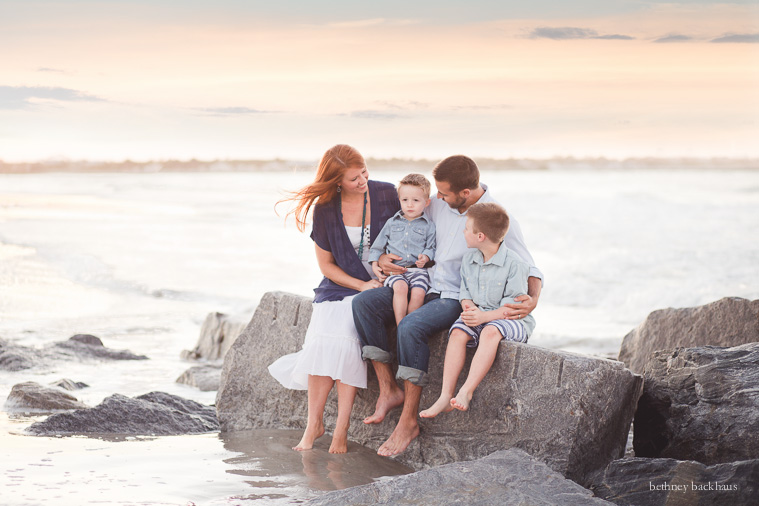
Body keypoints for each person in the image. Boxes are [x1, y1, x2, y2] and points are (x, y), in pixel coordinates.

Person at [352, 155, 543, 457]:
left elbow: (530, 268)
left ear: (465, 193)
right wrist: (381, 259)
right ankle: (389, 389)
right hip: (421, 282)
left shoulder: (494, 219)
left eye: (442, 192)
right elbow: (404, 220)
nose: (436, 197)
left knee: (411, 327)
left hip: (454, 296)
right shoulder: (439, 204)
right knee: (364, 303)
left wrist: (531, 301)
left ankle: (408, 421)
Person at [268, 144, 400, 454]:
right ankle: (314, 424)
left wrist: (389, 270)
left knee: (343, 334)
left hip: (384, 284)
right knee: (321, 338)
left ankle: (340, 430)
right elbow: (326, 265)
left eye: (364, 172)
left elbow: (415, 230)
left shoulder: (387, 194)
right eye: (354, 178)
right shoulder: (326, 209)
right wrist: (360, 284)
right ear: (336, 181)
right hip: (341, 286)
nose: (363, 180)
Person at [420, 202, 535, 418]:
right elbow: (465, 291)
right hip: (481, 313)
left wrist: (484, 317)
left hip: (512, 319)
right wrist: (469, 307)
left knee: (490, 332)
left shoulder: (515, 265)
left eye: (466, 228)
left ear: (480, 236)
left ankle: (466, 391)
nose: (463, 232)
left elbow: (514, 308)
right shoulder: (469, 259)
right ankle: (445, 396)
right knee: (458, 332)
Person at [368, 174, 436, 325]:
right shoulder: (392, 223)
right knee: (400, 287)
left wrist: (425, 257)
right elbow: (377, 246)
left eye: (416, 200)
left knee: (419, 293)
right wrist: (374, 263)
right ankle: (400, 325)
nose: (410, 205)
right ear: (399, 200)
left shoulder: (429, 226)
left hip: (417, 271)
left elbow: (431, 248)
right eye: (405, 200)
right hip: (396, 270)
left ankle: (408, 325)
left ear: (427, 202)